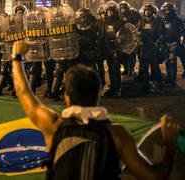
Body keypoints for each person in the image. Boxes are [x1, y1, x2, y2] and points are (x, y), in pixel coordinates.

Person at [11, 40, 179, 179]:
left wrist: (17, 57)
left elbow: (22, 91)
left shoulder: (54, 126)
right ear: (98, 95)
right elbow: (155, 177)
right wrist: (169, 143)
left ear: (67, 97)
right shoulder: (117, 135)